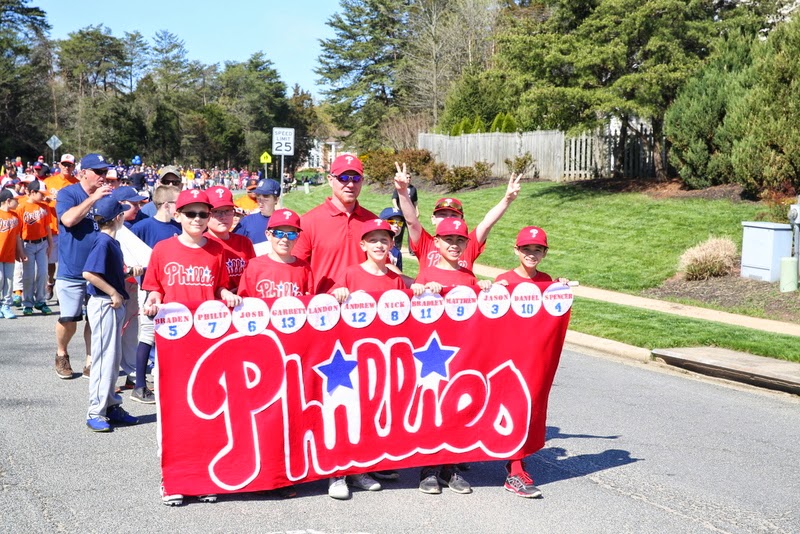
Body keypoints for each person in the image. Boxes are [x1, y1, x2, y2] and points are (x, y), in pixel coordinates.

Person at [142, 188, 241, 507]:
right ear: (177, 215)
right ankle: (173, 478)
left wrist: (226, 294)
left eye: (203, 213)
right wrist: (154, 300)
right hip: (173, 345)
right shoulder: (162, 249)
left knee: (205, 413)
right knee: (171, 414)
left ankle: (202, 477)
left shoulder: (216, 251)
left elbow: (220, 285)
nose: (198, 219)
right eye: (191, 213)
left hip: (207, 344)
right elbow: (154, 288)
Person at [414, 218, 492, 495]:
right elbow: (415, 316)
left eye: (460, 240)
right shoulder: (426, 274)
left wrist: (484, 290)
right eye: (448, 240)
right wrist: (422, 291)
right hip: (432, 356)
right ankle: (429, 468)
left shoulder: (468, 277)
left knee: (457, 409)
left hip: (461, 354)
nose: (455, 245)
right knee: (433, 409)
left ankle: (451, 466)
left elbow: (478, 318)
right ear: (437, 242)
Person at [492, 225, 567, 498]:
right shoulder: (504, 279)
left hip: (535, 357)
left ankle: (516, 464)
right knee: (512, 408)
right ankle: (514, 469)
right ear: (516, 250)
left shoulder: (547, 280)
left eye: (537, 249)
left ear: (545, 253)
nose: (531, 254)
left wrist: (560, 290)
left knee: (529, 409)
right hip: (509, 356)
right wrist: (490, 291)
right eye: (526, 249)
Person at [393, 162, 521, 274]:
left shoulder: (467, 244)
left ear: (462, 221)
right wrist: (403, 192)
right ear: (433, 219)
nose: (448, 219)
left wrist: (507, 200)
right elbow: (411, 221)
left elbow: (487, 223)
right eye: (442, 215)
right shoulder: (425, 243)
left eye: (454, 215)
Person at [82, 196, 139, 432]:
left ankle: (111, 406)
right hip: (105, 303)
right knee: (104, 359)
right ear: (117, 218)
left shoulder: (111, 242)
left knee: (113, 360)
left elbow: (107, 274)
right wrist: (114, 292)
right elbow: (89, 273)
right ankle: (96, 411)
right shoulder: (104, 242)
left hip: (111, 302)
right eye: (122, 212)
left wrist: (128, 275)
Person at [55, 153, 113, 379]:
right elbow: (68, 220)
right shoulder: (68, 193)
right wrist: (93, 199)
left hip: (99, 270)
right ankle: (61, 353)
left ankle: (91, 361)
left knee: (95, 319)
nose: (103, 176)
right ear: (83, 173)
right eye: (98, 172)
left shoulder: (107, 194)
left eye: (105, 172)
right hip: (72, 269)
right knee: (69, 319)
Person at [293, 154, 377, 293]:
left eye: (356, 179)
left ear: (362, 181)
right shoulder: (309, 222)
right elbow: (296, 269)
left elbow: (383, 268)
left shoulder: (372, 221)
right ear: (330, 180)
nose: (350, 184)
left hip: (364, 306)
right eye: (343, 178)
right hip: (324, 307)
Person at [129, 185, 181, 403]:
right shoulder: (143, 227)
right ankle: (139, 386)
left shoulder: (179, 227)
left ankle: (170, 382)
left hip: (174, 288)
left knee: (172, 335)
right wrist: (134, 267)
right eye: (177, 203)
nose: (180, 208)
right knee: (148, 335)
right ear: (167, 205)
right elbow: (127, 249)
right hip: (149, 289)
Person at [237, 208, 312, 299]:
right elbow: (244, 301)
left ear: (297, 237)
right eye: (279, 233)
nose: (285, 239)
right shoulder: (254, 266)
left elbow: (309, 301)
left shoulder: (304, 268)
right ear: (268, 235)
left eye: (291, 234)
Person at [205, 185, 255, 291]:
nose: (223, 216)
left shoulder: (244, 242)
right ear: (206, 214)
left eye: (227, 210)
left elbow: (252, 276)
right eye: (216, 211)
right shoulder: (201, 243)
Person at [16, 179, 52, 316]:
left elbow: (47, 226)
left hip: (42, 243)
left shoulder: (44, 207)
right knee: (29, 275)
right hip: (27, 244)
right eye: (41, 194)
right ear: (32, 192)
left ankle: (41, 301)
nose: (43, 197)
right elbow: (18, 232)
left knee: (43, 273)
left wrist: (50, 244)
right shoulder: (21, 207)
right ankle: (28, 303)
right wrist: (19, 250)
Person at [0, 188, 25, 319]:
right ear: (8, 201)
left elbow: (17, 237)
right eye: (16, 201)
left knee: (9, 282)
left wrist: (20, 252)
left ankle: (6, 306)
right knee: (0, 280)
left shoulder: (15, 217)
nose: (18, 203)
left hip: (9, 255)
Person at [233, 179, 280, 245]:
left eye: (265, 196)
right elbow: (233, 245)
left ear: (276, 199)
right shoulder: (247, 221)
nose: (260, 201)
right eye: (258, 196)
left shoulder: (283, 221)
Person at [391, 174, 417, 254]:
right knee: (399, 230)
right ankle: (397, 248)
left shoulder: (413, 189)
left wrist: (417, 210)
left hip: (410, 214)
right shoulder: (399, 187)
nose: (408, 179)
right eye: (407, 177)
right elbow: (394, 198)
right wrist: (396, 208)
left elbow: (415, 201)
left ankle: (412, 250)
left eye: (409, 177)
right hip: (401, 213)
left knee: (411, 232)